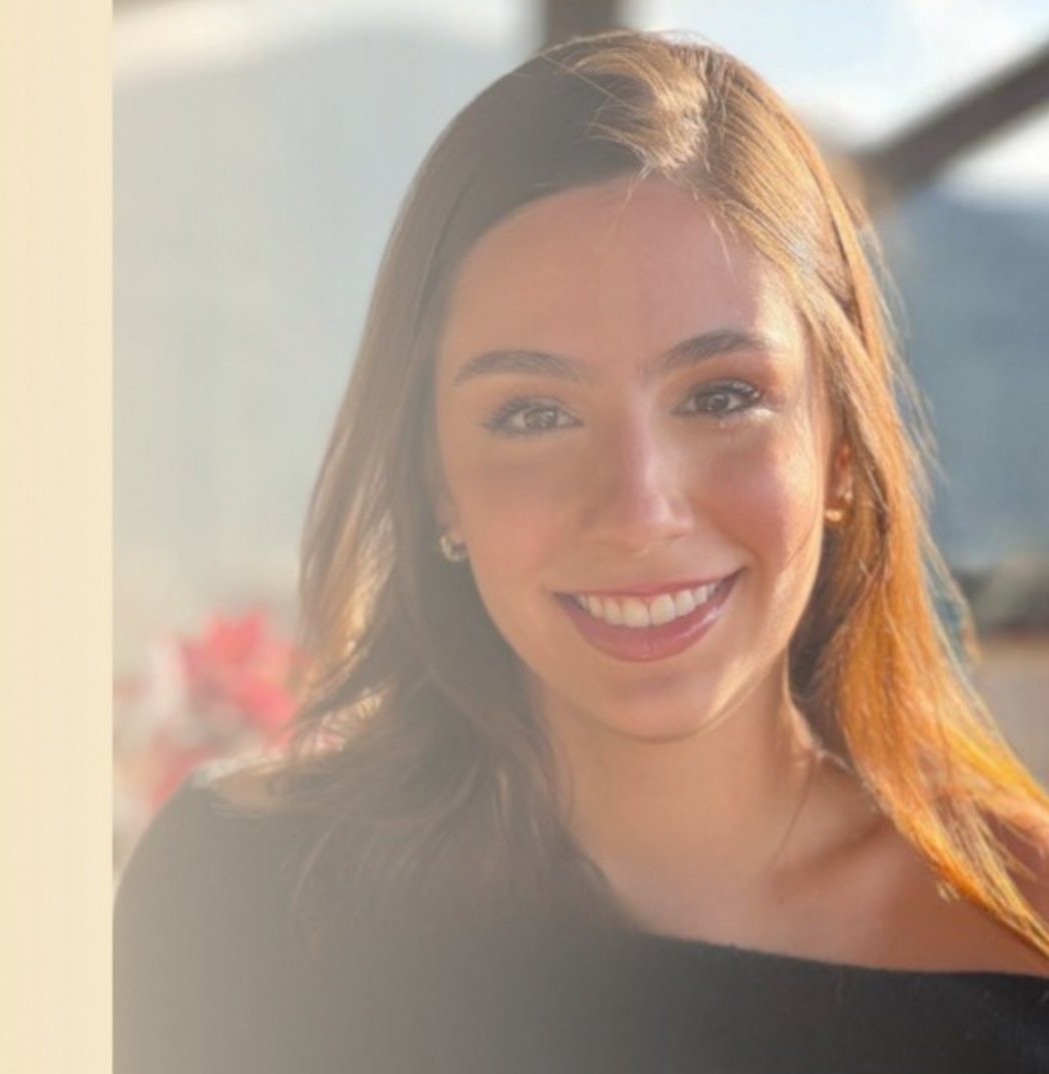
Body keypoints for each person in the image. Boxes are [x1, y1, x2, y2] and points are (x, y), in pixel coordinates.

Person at [115, 29, 1049, 1073]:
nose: (637, 508)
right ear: (436, 479)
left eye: (721, 396)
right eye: (532, 415)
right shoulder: (236, 900)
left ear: (839, 450)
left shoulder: (1027, 937)